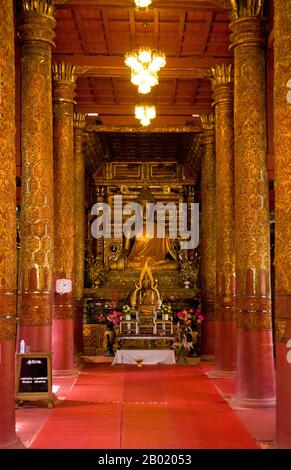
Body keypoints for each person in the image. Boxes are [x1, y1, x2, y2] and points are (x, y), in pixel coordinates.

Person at [110, 185, 177, 271]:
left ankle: (148, 268)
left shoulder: (160, 229)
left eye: (148, 207)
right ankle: (147, 268)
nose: (145, 210)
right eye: (142, 207)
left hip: (156, 262)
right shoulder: (131, 227)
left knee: (175, 265)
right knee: (114, 265)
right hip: (136, 262)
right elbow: (126, 249)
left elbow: (167, 253)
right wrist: (122, 256)